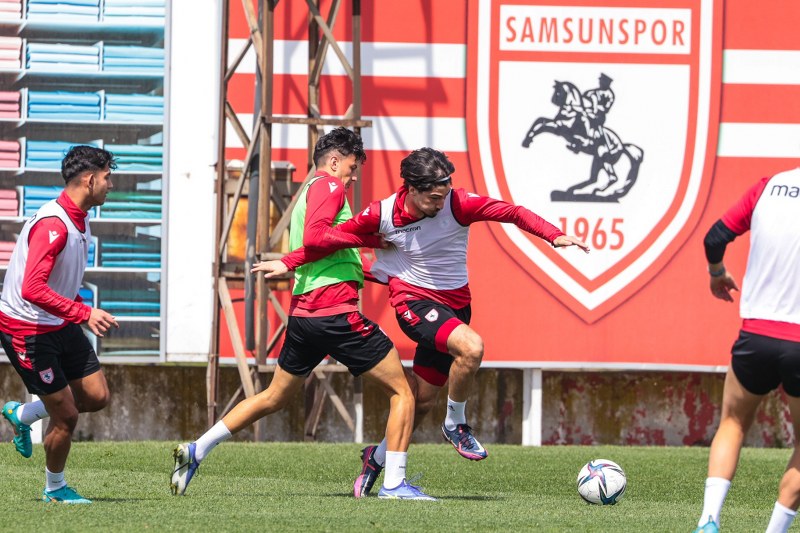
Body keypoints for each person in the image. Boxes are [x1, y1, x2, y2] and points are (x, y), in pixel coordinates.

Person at [257, 147, 589, 498]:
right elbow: (327, 241)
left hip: (455, 307)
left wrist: (554, 234)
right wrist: (289, 262)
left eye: (445, 194)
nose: (440, 203)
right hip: (412, 304)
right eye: (434, 197)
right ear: (411, 190)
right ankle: (456, 424)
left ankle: (377, 457)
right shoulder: (381, 214)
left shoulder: (458, 203)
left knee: (422, 400)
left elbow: (512, 212)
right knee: (472, 347)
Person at [171, 127, 435, 501]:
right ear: (333, 161)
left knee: (274, 397)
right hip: (336, 314)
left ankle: (197, 449)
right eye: (352, 166)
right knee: (404, 393)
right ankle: (393, 483)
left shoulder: (310, 192)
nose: (353, 175)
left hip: (305, 317)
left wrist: (293, 261)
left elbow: (317, 246)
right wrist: (368, 237)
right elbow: (318, 238)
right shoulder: (328, 187)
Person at [0, 145, 119, 504]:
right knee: (66, 416)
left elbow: (58, 281)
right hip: (27, 330)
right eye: (108, 177)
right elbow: (31, 288)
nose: (110, 185)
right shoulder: (54, 224)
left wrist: (79, 308)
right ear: (90, 179)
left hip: (57, 321)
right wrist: (84, 314)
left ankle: (22, 414)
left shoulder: (81, 217)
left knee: (96, 396)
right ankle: (55, 490)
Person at [694, 167, 800, 533]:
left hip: (755, 335)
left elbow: (714, 238)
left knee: (733, 423)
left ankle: (709, 520)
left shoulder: (769, 186)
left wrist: (717, 272)